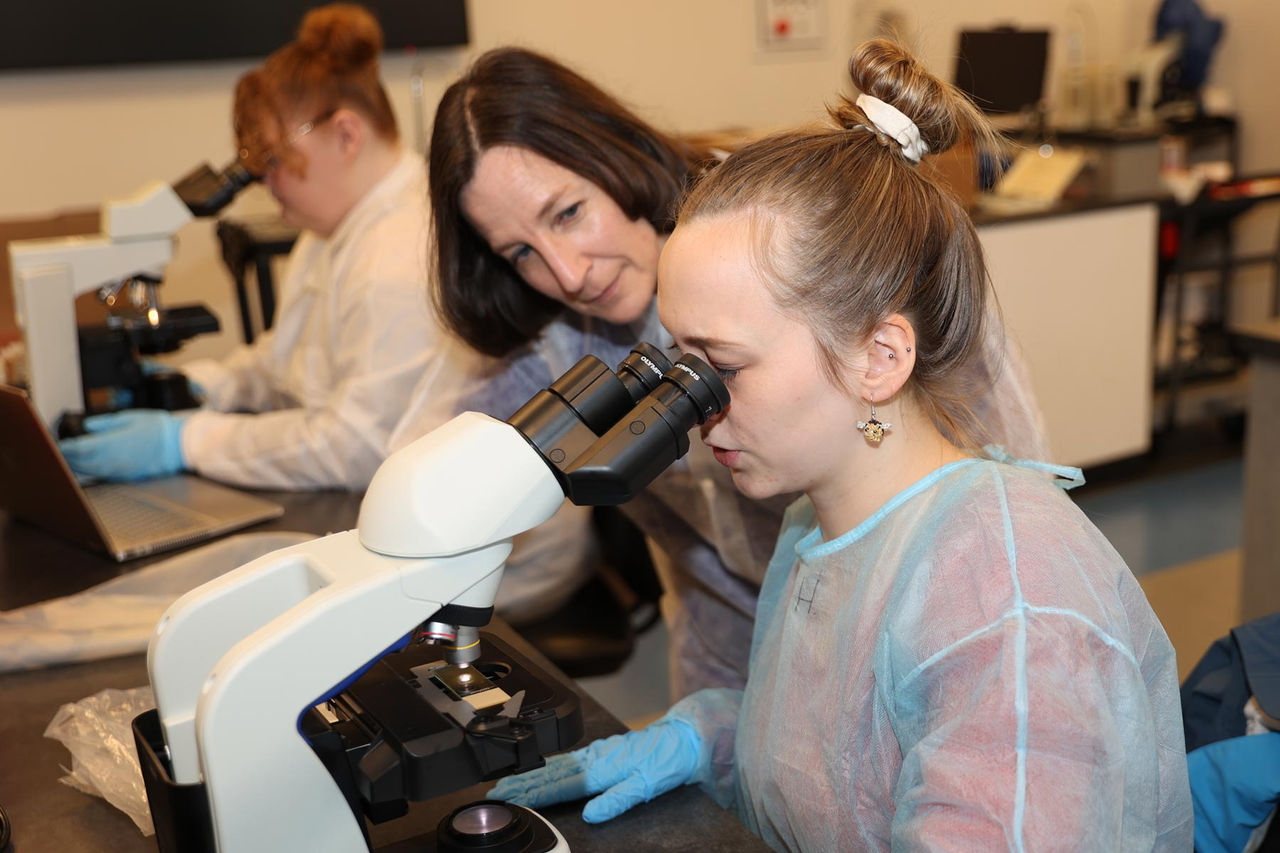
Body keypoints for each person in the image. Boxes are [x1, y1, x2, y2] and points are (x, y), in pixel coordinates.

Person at [488, 40, 1193, 850]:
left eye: (721, 367)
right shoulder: (815, 523)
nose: (693, 407)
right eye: (681, 361)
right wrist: (714, 737)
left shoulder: (1008, 599)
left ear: (880, 357)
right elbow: (842, 749)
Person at [407, 45, 1050, 699]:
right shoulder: (556, 336)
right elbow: (442, 481)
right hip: (737, 647)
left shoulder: (794, 238)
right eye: (520, 252)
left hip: (912, 629)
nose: (568, 272)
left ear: (613, 155)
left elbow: (1007, 478)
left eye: (568, 213)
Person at [58, 4, 443, 491]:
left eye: (276, 162)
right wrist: (194, 386)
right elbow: (284, 364)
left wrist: (185, 441)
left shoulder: (402, 254)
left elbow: (354, 446)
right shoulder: (331, 234)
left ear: (346, 135)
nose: (266, 185)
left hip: (462, 545)